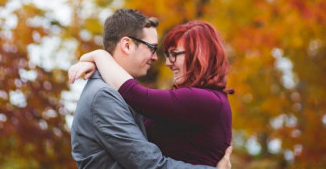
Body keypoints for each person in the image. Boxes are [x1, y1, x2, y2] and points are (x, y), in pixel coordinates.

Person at [69, 9, 233, 168]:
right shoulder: (103, 95)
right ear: (126, 45)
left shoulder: (203, 99)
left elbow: (136, 94)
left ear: (199, 55)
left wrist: (99, 56)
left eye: (174, 54)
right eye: (154, 49)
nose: (166, 62)